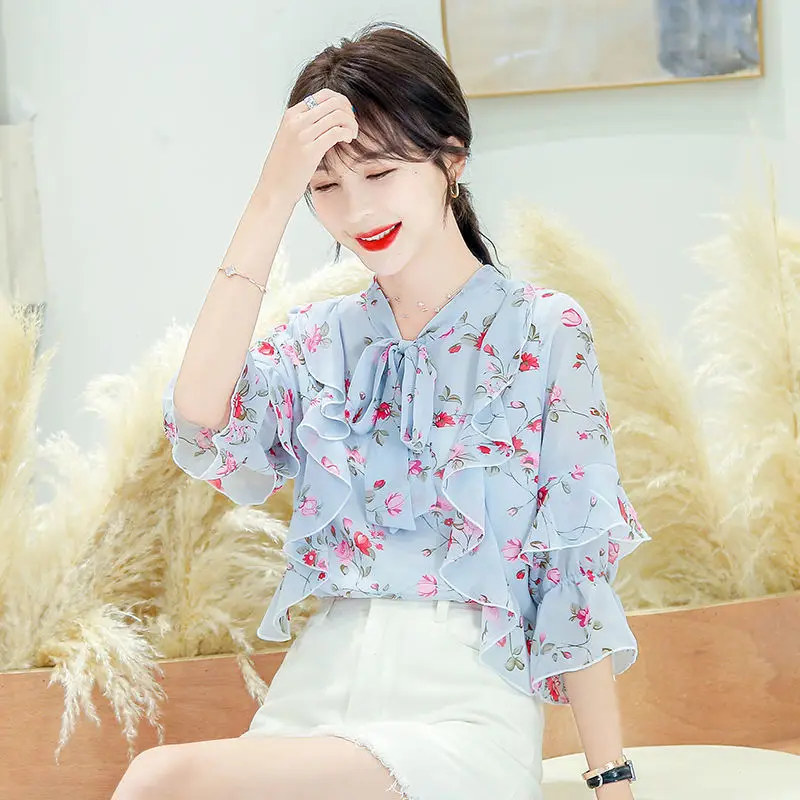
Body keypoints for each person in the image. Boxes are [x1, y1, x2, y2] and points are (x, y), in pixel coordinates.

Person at [112, 22, 650, 800]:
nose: (357, 210)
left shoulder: (542, 330)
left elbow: (575, 570)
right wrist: (270, 195)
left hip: (463, 714)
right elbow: (200, 415)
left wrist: (611, 779)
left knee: (161, 780)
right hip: (314, 700)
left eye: (381, 172)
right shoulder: (318, 342)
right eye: (325, 186)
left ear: (451, 161)